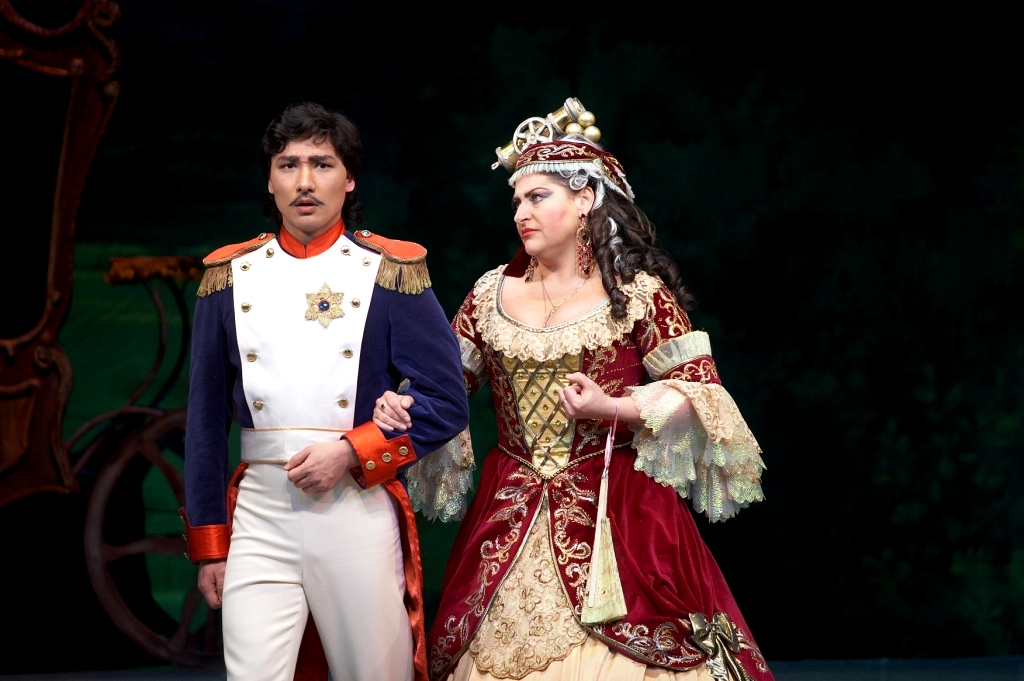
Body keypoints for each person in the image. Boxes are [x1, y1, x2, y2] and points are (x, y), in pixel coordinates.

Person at [375, 101, 772, 681]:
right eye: (517, 201)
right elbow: (446, 388)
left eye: (538, 197)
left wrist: (614, 407)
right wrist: (403, 403)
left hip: (621, 512)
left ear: (585, 199)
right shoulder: (489, 295)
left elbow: (703, 393)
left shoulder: (637, 293)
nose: (522, 213)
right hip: (509, 509)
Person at [181, 102, 469, 681]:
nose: (305, 182)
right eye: (288, 165)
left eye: (322, 164)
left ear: (350, 178)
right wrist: (210, 546)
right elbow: (205, 424)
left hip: (355, 510)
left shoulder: (390, 271)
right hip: (259, 515)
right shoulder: (227, 277)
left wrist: (353, 452)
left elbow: (447, 401)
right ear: (270, 180)